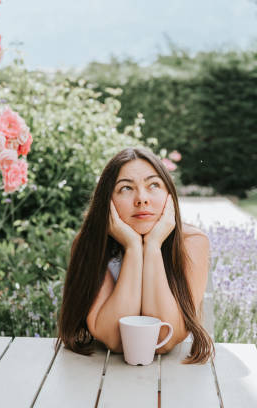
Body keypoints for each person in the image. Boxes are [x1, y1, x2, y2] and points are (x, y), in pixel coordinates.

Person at [55, 147, 214, 364]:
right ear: (108, 201)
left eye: (154, 185)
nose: (142, 199)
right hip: (98, 374)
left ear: (169, 195)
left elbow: (163, 341)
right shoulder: (89, 244)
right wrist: (132, 247)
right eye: (126, 188)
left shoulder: (192, 242)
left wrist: (153, 246)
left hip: (176, 376)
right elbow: (114, 339)